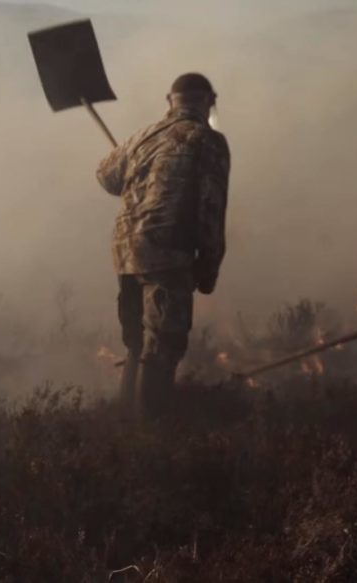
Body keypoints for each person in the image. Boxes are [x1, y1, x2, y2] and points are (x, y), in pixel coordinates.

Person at [96, 72, 230, 417]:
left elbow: (107, 177)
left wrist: (134, 162)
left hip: (125, 252)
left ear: (169, 101)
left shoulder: (142, 136)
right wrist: (208, 269)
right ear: (207, 101)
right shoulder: (208, 140)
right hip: (167, 251)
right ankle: (151, 439)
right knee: (163, 345)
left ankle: (123, 425)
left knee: (137, 341)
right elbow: (211, 209)